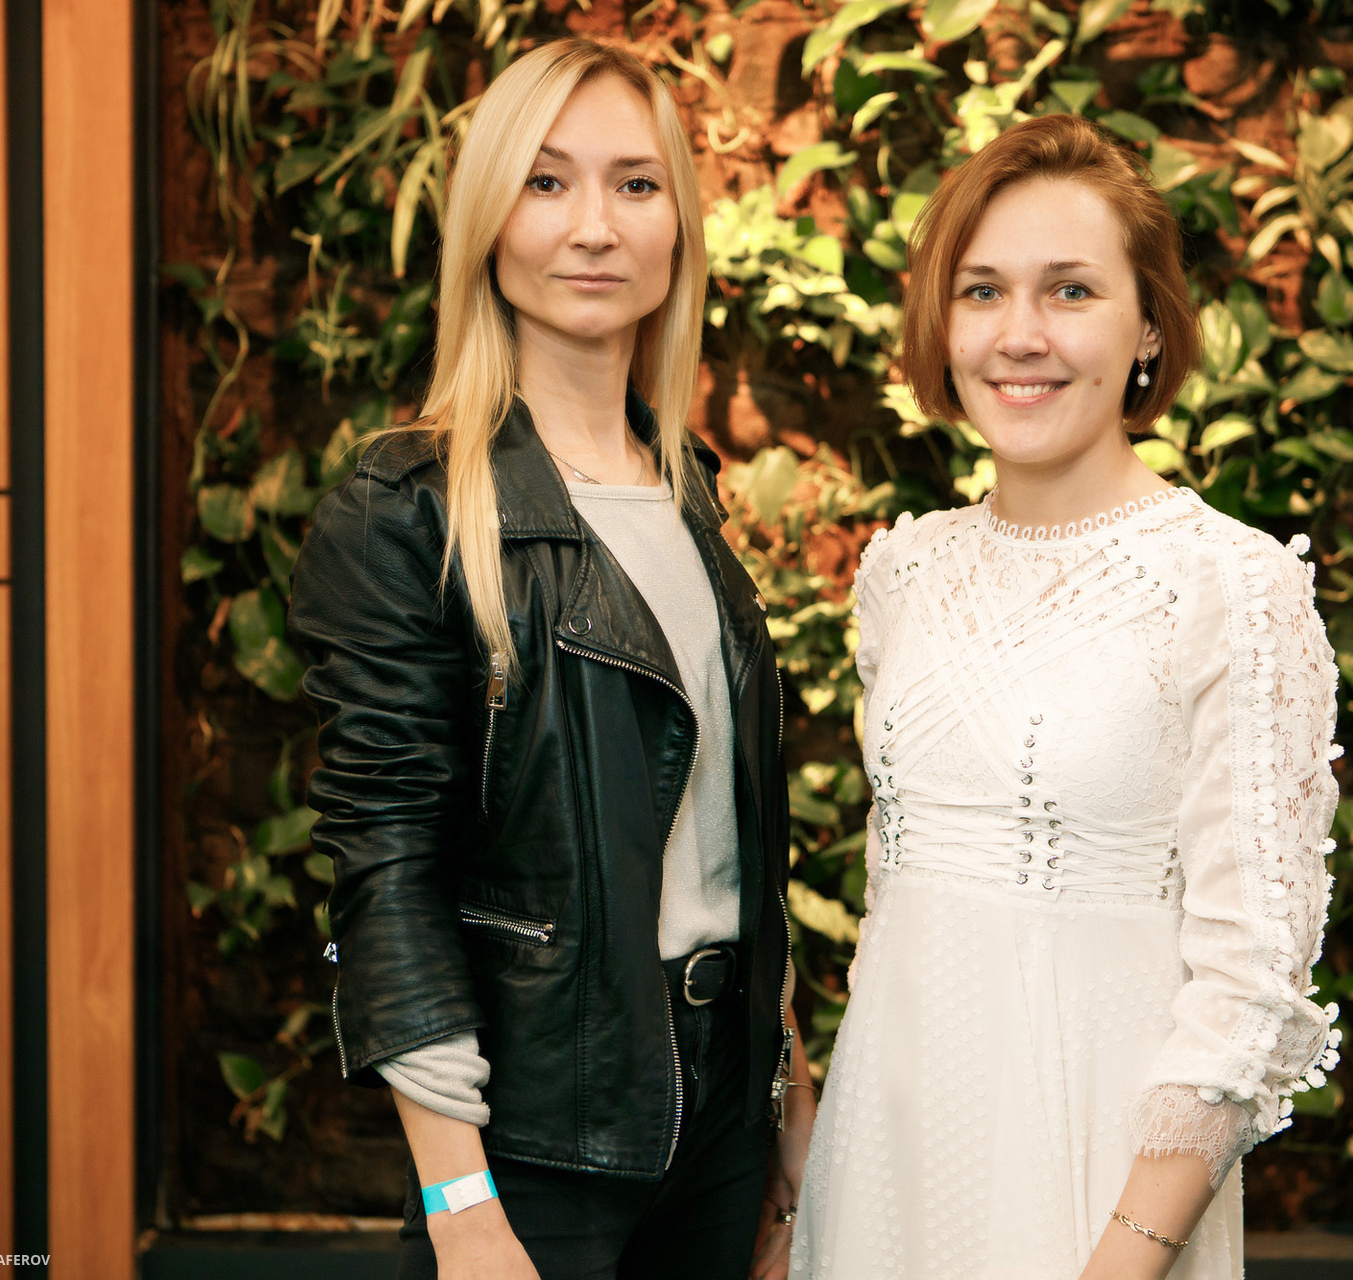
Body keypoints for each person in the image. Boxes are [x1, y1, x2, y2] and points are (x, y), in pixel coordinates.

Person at [287, 39, 812, 1280]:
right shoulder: (409, 507)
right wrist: (460, 1199)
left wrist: (786, 1102)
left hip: (721, 1124)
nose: (593, 227)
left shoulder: (690, 496)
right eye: (546, 180)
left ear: (678, 225)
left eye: (635, 184)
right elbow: (388, 870)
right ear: (489, 221)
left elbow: (732, 843)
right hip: (529, 1138)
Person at [789, 114, 1343, 1280]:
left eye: (1071, 290)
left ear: (1149, 325)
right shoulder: (904, 572)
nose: (1021, 334)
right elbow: (899, 903)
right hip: (886, 1161)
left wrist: (1124, 1257)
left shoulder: (1232, 585)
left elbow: (1251, 982)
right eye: (982, 290)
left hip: (1095, 1186)